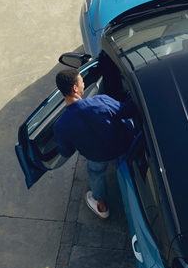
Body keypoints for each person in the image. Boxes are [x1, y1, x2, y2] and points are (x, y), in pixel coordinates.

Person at [53, 68, 138, 219]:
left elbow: (66, 152)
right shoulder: (100, 101)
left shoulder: (60, 126)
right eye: (82, 82)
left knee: (95, 172)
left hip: (98, 156)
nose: (84, 84)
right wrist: (132, 91)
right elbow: (128, 110)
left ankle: (102, 205)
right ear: (75, 88)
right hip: (124, 143)